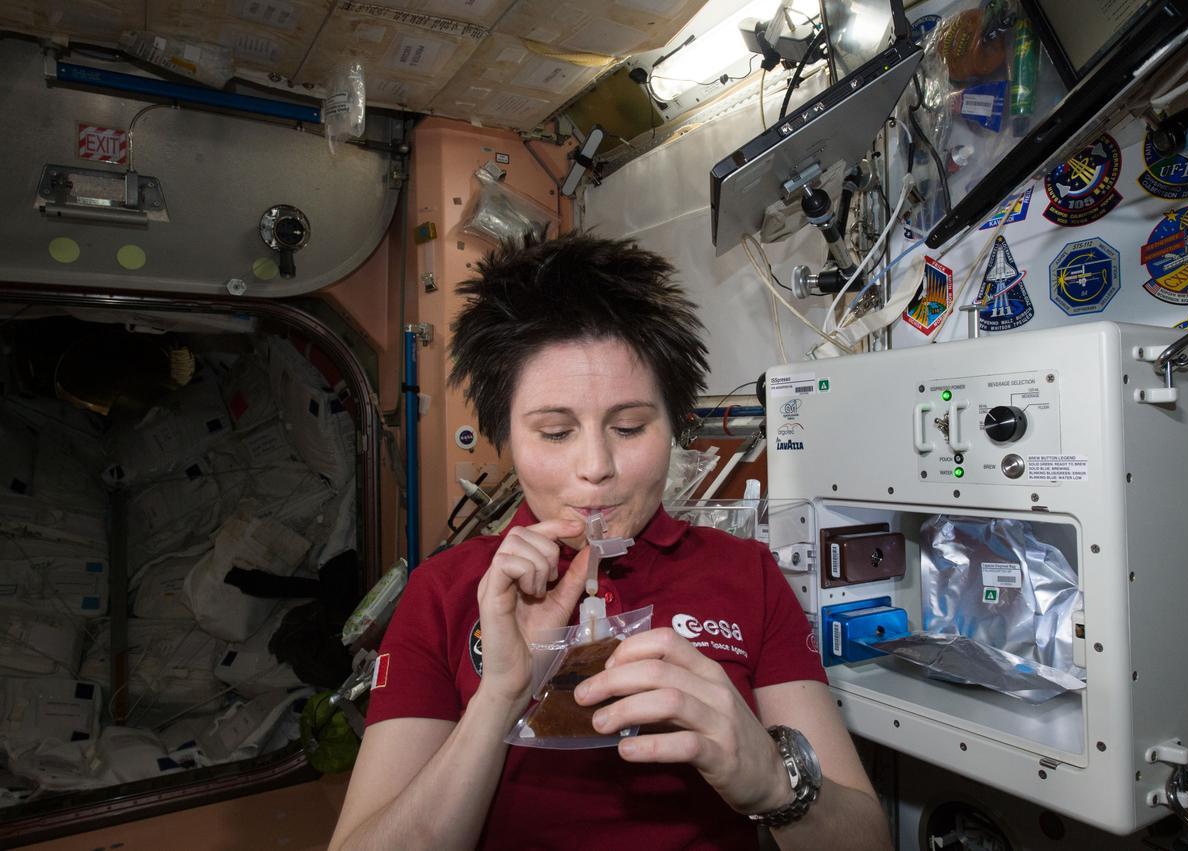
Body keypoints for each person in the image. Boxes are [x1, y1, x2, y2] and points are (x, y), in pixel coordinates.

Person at [328, 233, 890, 851]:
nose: (596, 467)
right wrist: (500, 698)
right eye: (555, 432)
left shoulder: (746, 573)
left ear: (674, 427)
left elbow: (867, 839)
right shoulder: (443, 592)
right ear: (505, 438)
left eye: (628, 426)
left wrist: (774, 785)